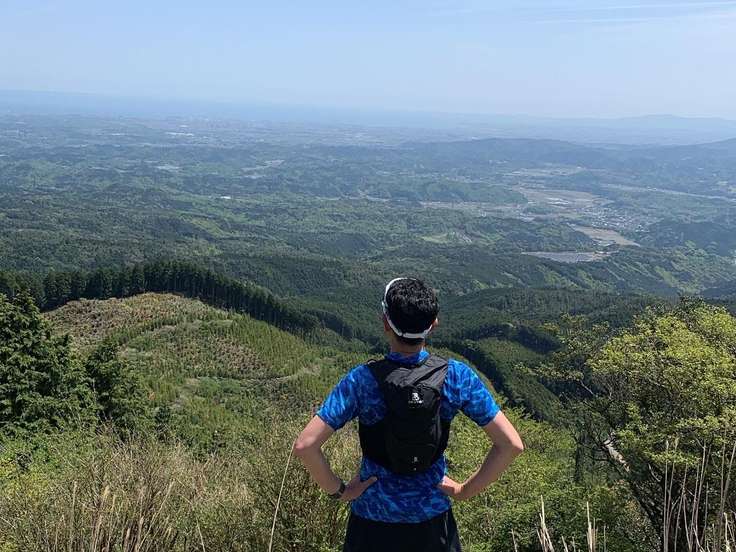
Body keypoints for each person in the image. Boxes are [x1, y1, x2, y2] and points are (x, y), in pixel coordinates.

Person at [293, 277, 524, 552]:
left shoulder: (362, 380)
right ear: (433, 324)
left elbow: (306, 445)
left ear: (385, 322)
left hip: (372, 521)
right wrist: (465, 491)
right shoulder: (456, 377)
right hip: (433, 521)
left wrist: (342, 491)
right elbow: (511, 444)